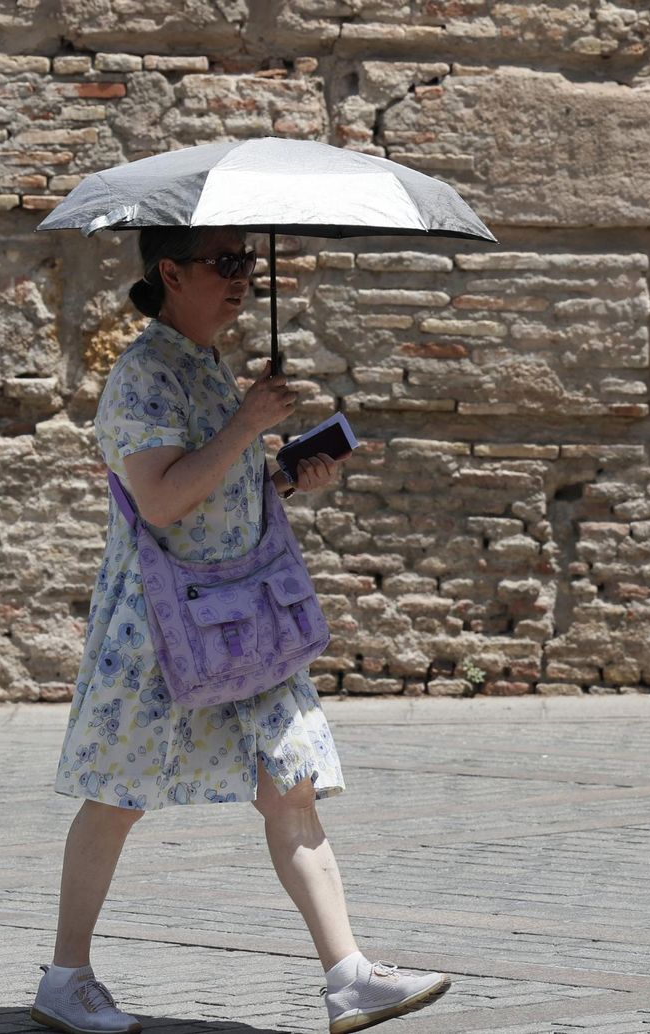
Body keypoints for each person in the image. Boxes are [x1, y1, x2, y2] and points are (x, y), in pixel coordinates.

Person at [32, 227, 450, 1034]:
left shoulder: (204, 365)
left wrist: (285, 473)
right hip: (162, 625)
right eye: (224, 264)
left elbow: (218, 489)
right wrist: (250, 422)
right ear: (170, 273)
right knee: (117, 796)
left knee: (291, 784)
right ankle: (66, 976)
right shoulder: (144, 373)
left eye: (246, 264)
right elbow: (160, 499)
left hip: (243, 615)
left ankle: (348, 976)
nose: (242, 279)